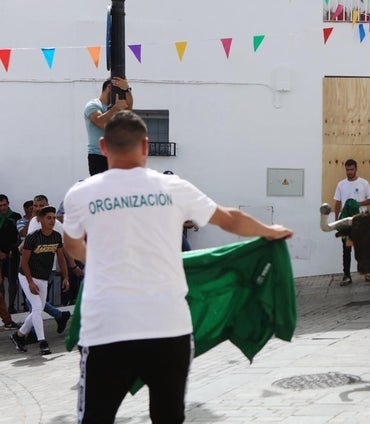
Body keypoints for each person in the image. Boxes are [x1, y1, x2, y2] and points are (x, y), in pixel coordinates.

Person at [63, 110, 293, 423]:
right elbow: (229, 219)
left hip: (106, 328)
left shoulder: (81, 194)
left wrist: (95, 259)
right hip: (168, 328)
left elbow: (72, 245)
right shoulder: (174, 188)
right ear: (145, 146)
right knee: (169, 417)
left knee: (95, 417)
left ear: (103, 146)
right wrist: (271, 231)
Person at [9, 206, 69, 355]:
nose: (52, 220)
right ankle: (43, 342)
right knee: (37, 307)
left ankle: (18, 336)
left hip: (43, 277)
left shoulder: (56, 236)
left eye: (54, 218)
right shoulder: (32, 237)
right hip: (26, 275)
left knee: (38, 309)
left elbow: (61, 259)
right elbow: (24, 262)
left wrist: (66, 277)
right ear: (40, 220)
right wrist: (30, 282)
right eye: (48, 218)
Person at [23, 195, 73, 333]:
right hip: (30, 267)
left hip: (46, 269)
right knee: (35, 301)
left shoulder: (58, 226)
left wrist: (71, 267)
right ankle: (59, 315)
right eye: (35, 206)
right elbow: (28, 241)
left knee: (34, 302)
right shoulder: (33, 220)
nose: (38, 208)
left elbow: (64, 248)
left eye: (41, 206)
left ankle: (31, 332)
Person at [333, 159, 370, 286]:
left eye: (351, 169)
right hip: (346, 223)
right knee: (347, 248)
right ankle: (346, 275)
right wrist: (336, 221)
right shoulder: (341, 184)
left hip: (361, 221)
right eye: (347, 169)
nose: (349, 172)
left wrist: (358, 203)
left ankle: (367, 273)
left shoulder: (363, 183)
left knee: (363, 248)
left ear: (356, 169)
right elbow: (338, 202)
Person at [85, 77, 134, 176]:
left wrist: (127, 89)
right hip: (98, 156)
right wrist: (115, 108)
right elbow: (100, 122)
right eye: (121, 92)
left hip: (116, 156)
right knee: (101, 190)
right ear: (109, 87)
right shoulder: (93, 105)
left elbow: (129, 109)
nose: (121, 96)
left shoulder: (117, 107)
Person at [0, 195, 22, 314]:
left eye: (4, 205)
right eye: (0, 206)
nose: (3, 208)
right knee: (1, 281)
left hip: (12, 253)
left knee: (13, 280)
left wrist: (12, 250)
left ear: (8, 203)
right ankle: (2, 307)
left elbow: (18, 235)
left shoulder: (15, 216)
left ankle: (11, 306)